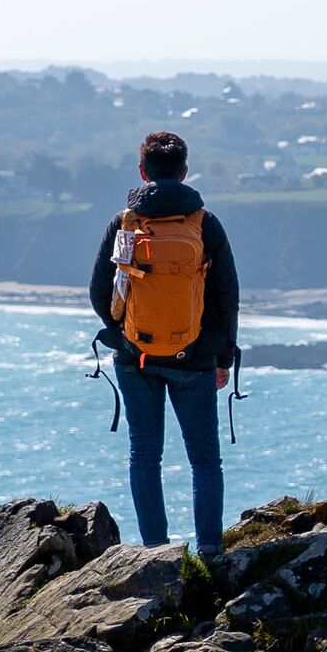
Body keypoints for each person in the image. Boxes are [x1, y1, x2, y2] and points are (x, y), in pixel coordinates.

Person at [89, 130, 240, 552]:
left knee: (144, 455)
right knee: (204, 459)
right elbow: (226, 297)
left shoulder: (125, 223)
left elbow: (99, 290)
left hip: (135, 356)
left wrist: (123, 334)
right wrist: (222, 357)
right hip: (194, 357)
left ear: (143, 171)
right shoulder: (204, 224)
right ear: (185, 171)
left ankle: (156, 551)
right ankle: (210, 550)